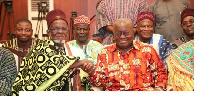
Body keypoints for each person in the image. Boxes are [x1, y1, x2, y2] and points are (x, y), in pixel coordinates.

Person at [12, 9, 93, 95]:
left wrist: (88, 68)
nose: (60, 32)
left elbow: (84, 77)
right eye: (55, 28)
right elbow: (54, 63)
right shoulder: (41, 48)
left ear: (68, 32)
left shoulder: (75, 51)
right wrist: (81, 62)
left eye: (63, 29)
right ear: (48, 33)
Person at [82, 18, 168, 91]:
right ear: (114, 36)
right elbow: (100, 83)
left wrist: (158, 90)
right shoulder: (105, 53)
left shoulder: (148, 50)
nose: (122, 37)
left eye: (126, 33)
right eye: (118, 34)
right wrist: (92, 72)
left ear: (133, 33)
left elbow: (161, 73)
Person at [68, 15, 103, 91]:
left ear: (89, 30)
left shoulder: (99, 47)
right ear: (74, 30)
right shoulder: (68, 46)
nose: (82, 32)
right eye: (78, 29)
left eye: (85, 29)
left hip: (94, 85)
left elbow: (102, 68)